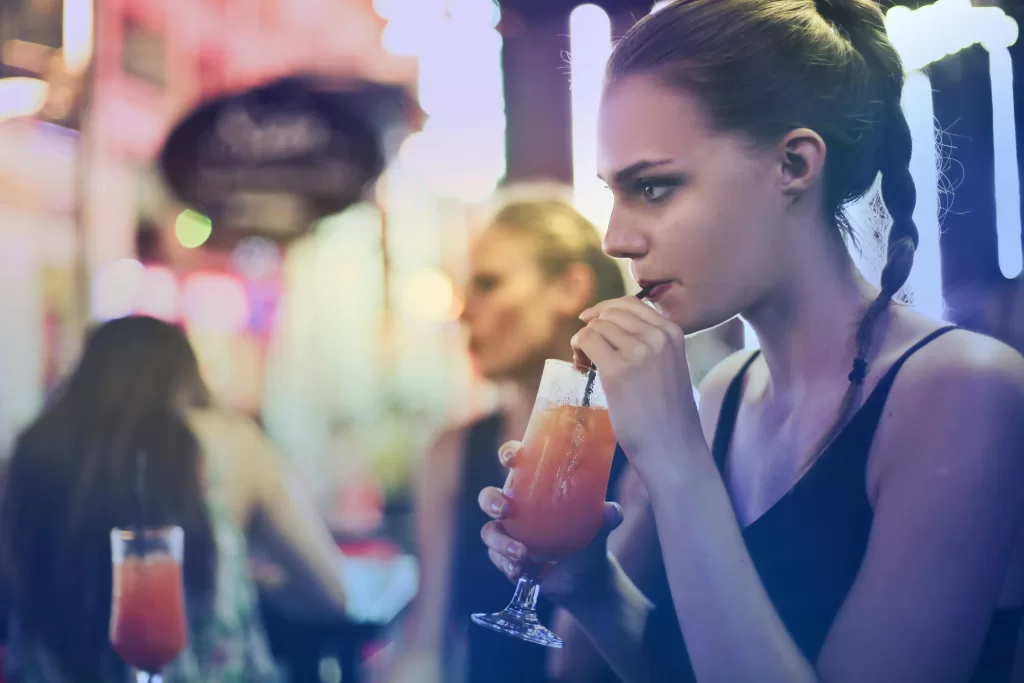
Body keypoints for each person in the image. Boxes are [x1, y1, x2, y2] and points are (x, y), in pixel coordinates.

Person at [478, 2, 1024, 682]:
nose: (616, 238)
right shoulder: (721, 393)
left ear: (794, 164)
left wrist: (676, 460)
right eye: (614, 194)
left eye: (653, 186)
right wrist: (589, 584)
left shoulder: (967, 391)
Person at [0, 316, 349, 682]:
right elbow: (329, 592)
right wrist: (248, 581)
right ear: (186, 376)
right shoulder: (231, 443)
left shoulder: (32, 451)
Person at [389, 194, 629, 683]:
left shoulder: (641, 449)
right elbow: (427, 643)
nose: (463, 312)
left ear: (569, 287)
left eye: (487, 284)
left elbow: (577, 663)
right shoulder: (451, 453)